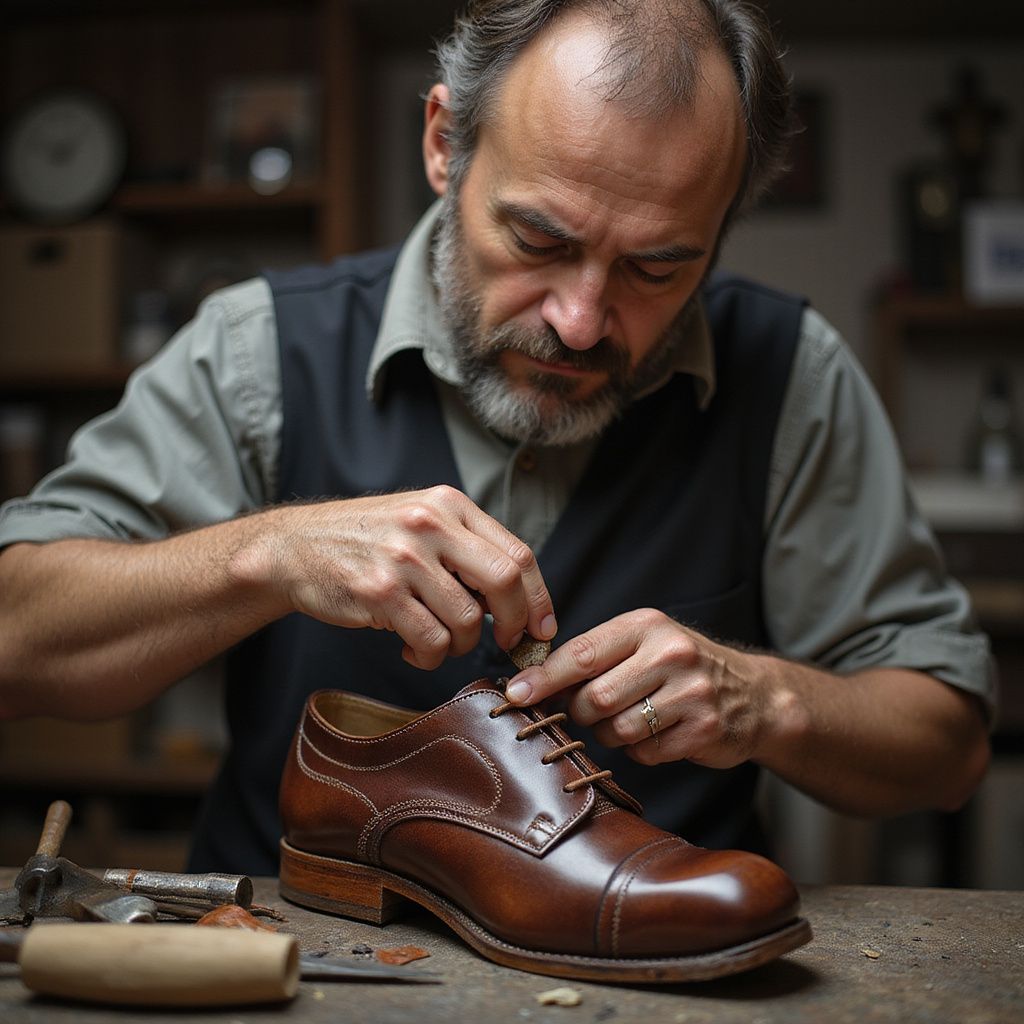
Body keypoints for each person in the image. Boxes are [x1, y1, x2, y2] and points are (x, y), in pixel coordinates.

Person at [0, 0, 994, 875]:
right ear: (444, 143)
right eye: (539, 241)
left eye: (656, 267)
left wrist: (766, 699)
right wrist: (268, 554)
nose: (580, 320)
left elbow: (946, 749)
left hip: (655, 974)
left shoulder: (791, 374)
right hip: (284, 957)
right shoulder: (258, 348)